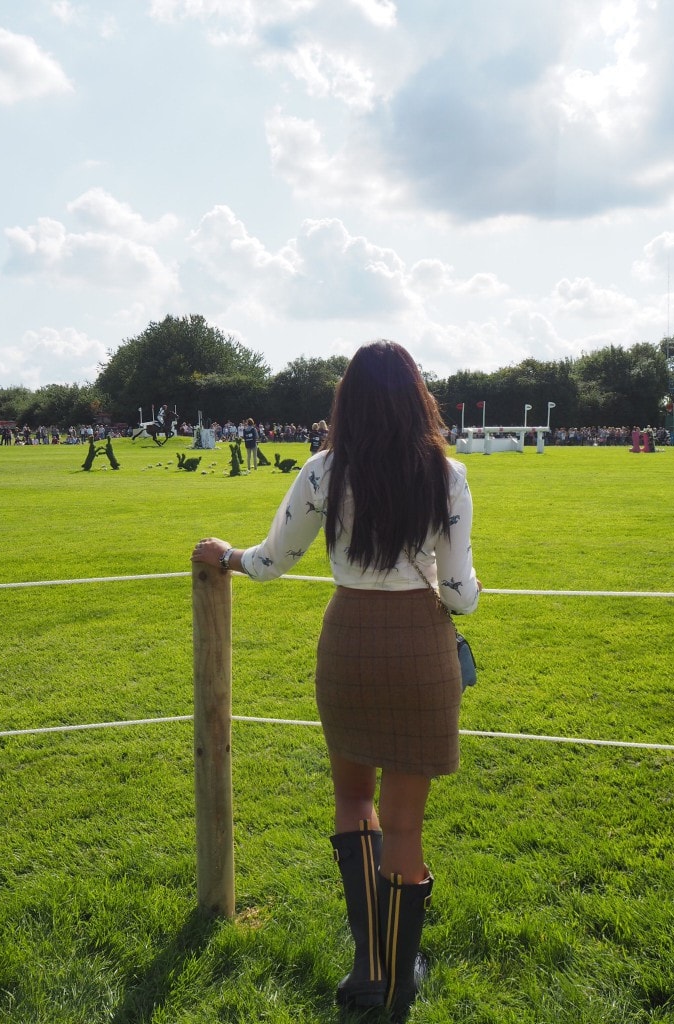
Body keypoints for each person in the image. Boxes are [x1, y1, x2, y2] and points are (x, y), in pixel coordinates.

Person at [191, 340, 481, 1020]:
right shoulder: (449, 476)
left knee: (353, 801)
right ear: (419, 398)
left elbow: (267, 562)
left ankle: (368, 966)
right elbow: (462, 594)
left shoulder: (323, 472)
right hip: (419, 649)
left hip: (349, 643)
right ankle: (397, 982)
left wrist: (223, 555)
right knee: (404, 828)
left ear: (346, 400)